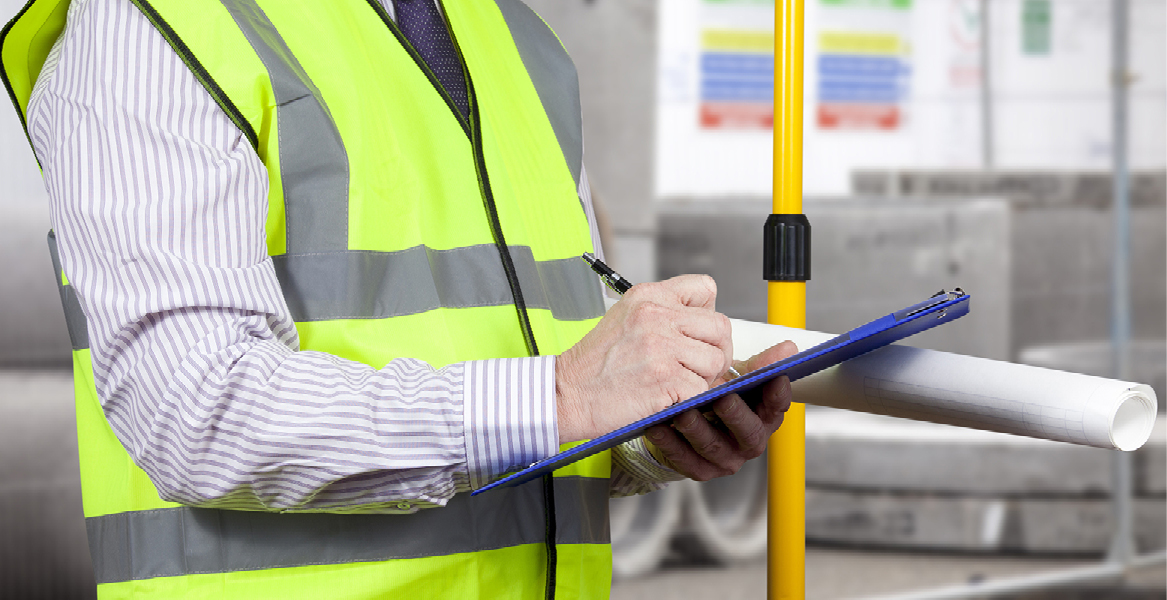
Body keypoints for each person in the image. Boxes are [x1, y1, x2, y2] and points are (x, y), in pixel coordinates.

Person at [1, 0, 797, 598]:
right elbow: (193, 410)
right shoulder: (157, 25)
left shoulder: (517, 43)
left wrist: (642, 437)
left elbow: (540, 390)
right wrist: (561, 396)